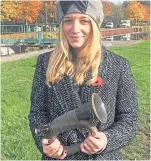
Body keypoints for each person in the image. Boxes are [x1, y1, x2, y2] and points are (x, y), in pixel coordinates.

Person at [28, 0, 139, 160]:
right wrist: (45, 141)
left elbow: (130, 120)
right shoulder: (45, 63)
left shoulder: (118, 65)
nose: (75, 29)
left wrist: (107, 140)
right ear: (61, 24)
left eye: (84, 21)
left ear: (94, 25)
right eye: (68, 21)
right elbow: (37, 113)